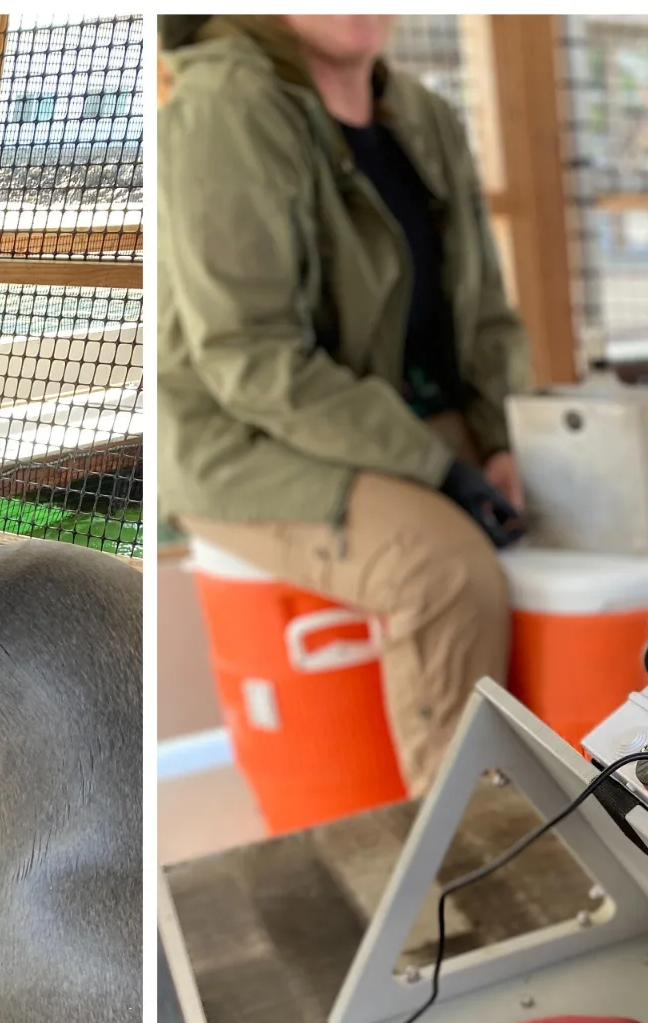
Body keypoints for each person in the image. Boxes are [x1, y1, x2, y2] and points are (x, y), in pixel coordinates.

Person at [159, 15, 530, 794]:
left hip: (388, 422)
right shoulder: (225, 109)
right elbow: (248, 356)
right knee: (445, 572)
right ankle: (462, 868)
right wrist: (437, 467)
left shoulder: (425, 116)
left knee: (579, 507)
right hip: (245, 439)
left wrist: (505, 441)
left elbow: (486, 312)